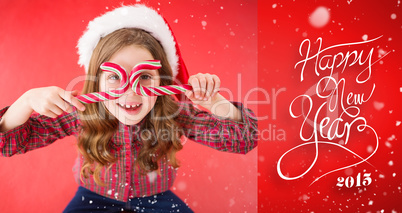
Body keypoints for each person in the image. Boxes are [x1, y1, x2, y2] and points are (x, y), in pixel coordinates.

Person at [0, 4, 257, 213]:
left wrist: (217, 104)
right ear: (96, 80)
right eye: (114, 77)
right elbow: (10, 143)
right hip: (94, 197)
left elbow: (243, 139)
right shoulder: (82, 112)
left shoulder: (174, 112)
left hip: (156, 198)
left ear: (163, 80)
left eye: (144, 76)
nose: (130, 91)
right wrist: (26, 101)